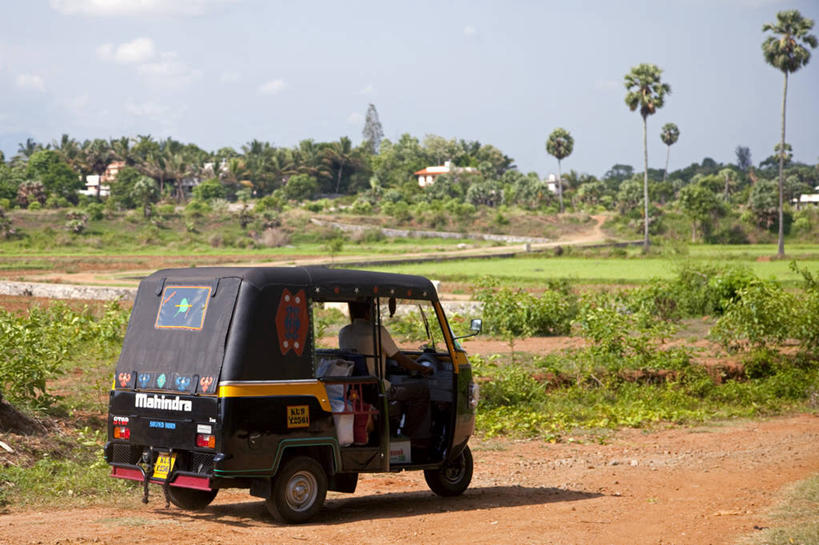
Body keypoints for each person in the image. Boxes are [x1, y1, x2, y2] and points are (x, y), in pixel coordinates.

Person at [339, 300, 432, 449]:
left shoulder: (343, 332)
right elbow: (401, 360)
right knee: (421, 390)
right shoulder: (378, 331)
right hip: (378, 390)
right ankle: (410, 437)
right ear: (367, 311)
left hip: (354, 389)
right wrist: (423, 369)